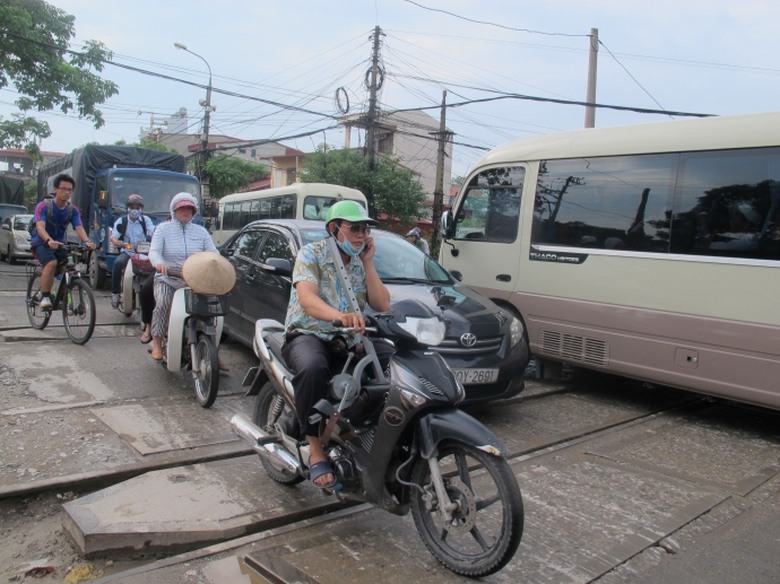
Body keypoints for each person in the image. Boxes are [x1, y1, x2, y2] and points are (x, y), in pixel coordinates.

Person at [283, 200, 392, 489]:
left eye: (365, 228)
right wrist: (340, 317)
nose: (362, 235)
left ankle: (357, 428)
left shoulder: (358, 263)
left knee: (390, 360)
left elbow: (381, 303)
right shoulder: (311, 254)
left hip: (349, 340)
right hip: (309, 334)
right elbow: (308, 299)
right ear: (334, 229)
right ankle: (315, 450)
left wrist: (368, 262)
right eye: (355, 228)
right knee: (312, 368)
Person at [148, 192, 220, 362]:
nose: (186, 211)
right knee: (163, 303)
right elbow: (154, 251)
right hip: (168, 279)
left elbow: (213, 253)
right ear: (174, 210)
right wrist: (159, 263)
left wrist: (218, 263)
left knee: (211, 310)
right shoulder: (163, 229)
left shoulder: (201, 231)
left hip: (195, 281)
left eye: (189, 208)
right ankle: (157, 342)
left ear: (194, 211)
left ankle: (213, 350)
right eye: (182, 208)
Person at [30, 174, 97, 310]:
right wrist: (49, 240)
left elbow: (79, 228)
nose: (67, 192)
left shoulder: (72, 210)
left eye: (70, 190)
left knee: (70, 270)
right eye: (63, 189)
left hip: (60, 244)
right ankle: (45, 296)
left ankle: (61, 298)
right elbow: (40, 227)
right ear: (55, 189)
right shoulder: (43, 206)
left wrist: (87, 241)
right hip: (41, 242)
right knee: (51, 263)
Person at [110, 194, 155, 309]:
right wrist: (116, 241)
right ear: (128, 208)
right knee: (118, 263)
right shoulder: (122, 220)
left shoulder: (146, 220)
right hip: (128, 251)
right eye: (132, 207)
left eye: (137, 207)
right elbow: (114, 236)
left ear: (141, 209)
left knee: (156, 268)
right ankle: (115, 293)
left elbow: (154, 231)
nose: (135, 210)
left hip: (143, 253)